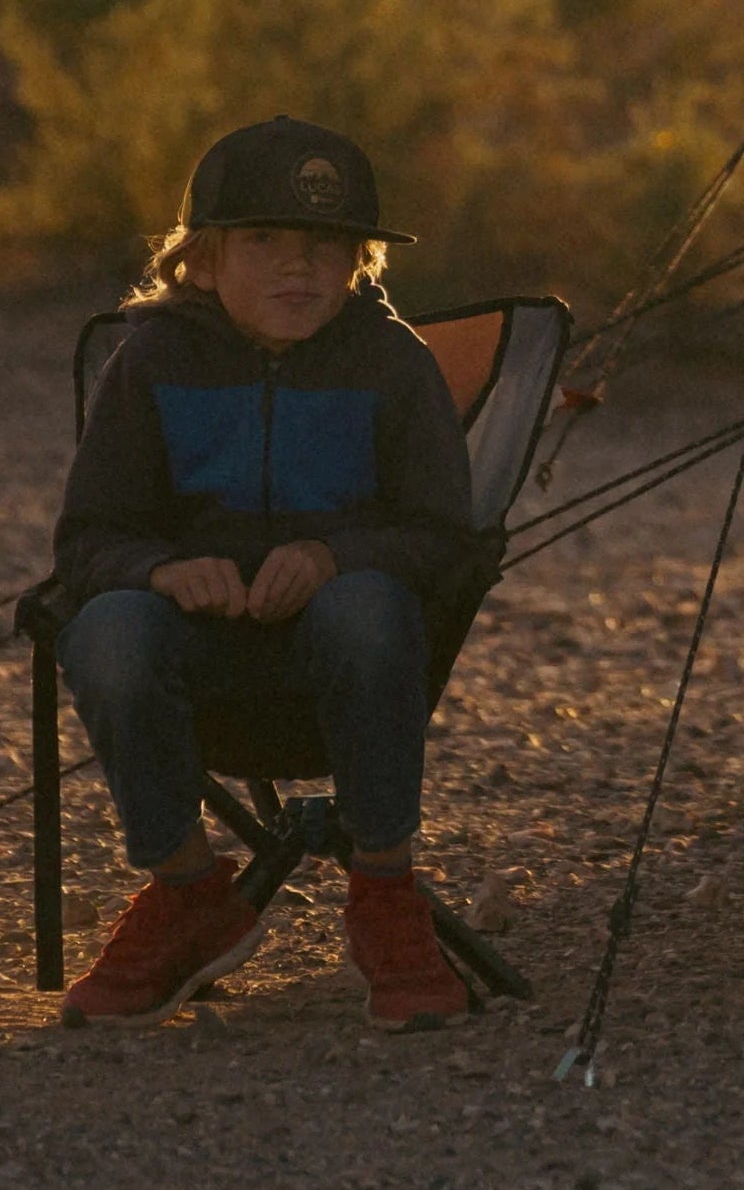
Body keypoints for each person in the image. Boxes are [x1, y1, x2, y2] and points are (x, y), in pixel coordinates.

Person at [51, 116, 481, 1033]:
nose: (299, 266)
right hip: (195, 671)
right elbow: (87, 542)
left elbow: (448, 538)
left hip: (347, 668)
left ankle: (385, 894)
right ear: (200, 260)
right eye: (265, 240)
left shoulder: (393, 362)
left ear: (360, 260)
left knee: (367, 603)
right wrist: (165, 570)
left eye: (326, 243)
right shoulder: (152, 360)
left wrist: (337, 556)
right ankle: (189, 892)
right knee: (108, 627)